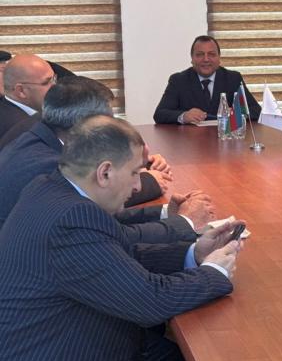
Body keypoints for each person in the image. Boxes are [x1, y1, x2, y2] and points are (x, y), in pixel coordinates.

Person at [0, 116, 240, 361]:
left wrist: (193, 252)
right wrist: (215, 273)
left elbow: (123, 254)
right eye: (134, 173)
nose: (138, 185)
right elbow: (148, 302)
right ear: (105, 172)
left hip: (44, 358)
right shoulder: (72, 218)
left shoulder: (51, 190)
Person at [0, 77, 214, 241]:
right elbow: (111, 233)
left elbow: (100, 217)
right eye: (108, 122)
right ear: (86, 125)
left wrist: (166, 212)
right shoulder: (48, 164)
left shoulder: (43, 134)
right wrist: (183, 223)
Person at [153, 35, 261, 124]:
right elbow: (159, 114)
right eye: (200, 55)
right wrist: (184, 116)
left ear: (219, 58)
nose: (206, 59)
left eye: (211, 54)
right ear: (192, 59)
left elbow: (256, 111)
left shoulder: (233, 78)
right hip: (191, 140)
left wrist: (235, 113)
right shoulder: (178, 80)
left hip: (224, 138)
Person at [0, 54, 55, 139]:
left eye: (54, 79)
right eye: (46, 82)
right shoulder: (23, 131)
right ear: (21, 91)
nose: (55, 87)